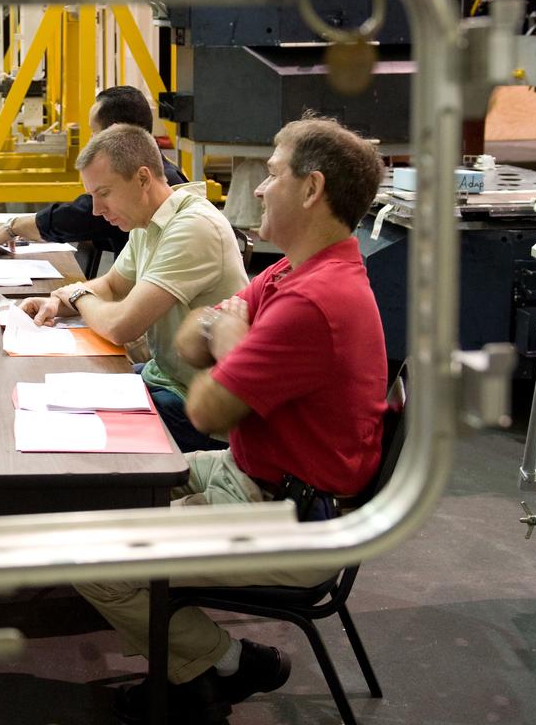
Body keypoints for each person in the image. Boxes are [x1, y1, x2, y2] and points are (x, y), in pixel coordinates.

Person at [76, 115, 388, 725]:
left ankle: (223, 662)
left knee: (88, 558)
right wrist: (228, 335)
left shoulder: (311, 301)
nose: (261, 188)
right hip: (251, 475)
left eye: (271, 176)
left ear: (312, 188)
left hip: (290, 518)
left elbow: (205, 407)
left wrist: (226, 337)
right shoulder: (289, 271)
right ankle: (206, 669)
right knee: (100, 490)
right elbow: (195, 340)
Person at [19, 125, 247, 453]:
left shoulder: (193, 228)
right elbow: (112, 285)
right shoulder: (146, 223)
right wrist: (58, 300)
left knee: (69, 434)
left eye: (104, 193)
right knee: (59, 393)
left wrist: (77, 294)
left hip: (201, 411)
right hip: (167, 379)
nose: (96, 210)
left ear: (142, 179)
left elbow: (121, 326)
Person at [0, 85, 189, 257]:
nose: (99, 209)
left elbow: (78, 215)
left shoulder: (145, 189)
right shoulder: (162, 174)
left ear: (113, 132)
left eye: (94, 133)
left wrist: (14, 227)